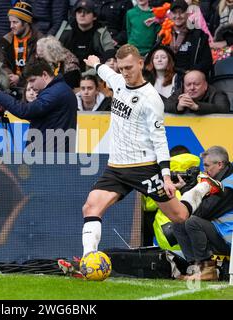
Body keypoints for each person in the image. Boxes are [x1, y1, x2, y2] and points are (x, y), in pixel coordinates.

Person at [80, 44, 223, 258]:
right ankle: (88, 261)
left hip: (144, 168)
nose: (125, 73)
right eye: (121, 69)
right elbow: (105, 71)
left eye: (129, 67)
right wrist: (95, 63)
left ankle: (202, 188)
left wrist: (166, 176)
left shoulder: (151, 98)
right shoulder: (118, 81)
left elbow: (159, 139)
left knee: (180, 216)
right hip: (116, 168)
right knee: (90, 207)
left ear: (140, 63)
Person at [0, 58, 77, 153]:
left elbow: (25, 111)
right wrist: (7, 104)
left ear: (44, 75)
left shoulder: (54, 92)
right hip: (53, 154)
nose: (31, 85)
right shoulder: (61, 89)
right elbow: (44, 118)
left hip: (50, 157)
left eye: (32, 80)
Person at [173, 145, 233, 280]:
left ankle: (207, 270)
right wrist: (187, 188)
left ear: (220, 164)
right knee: (179, 223)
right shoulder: (217, 181)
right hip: (220, 233)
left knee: (192, 222)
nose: (204, 170)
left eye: (207, 166)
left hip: (229, 239)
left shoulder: (228, 185)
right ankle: (194, 269)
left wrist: (187, 190)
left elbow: (203, 212)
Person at [58, 0, 115, 71]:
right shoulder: (66, 31)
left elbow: (110, 52)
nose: (82, 15)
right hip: (71, 72)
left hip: (95, 72)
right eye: (79, 12)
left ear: (94, 16)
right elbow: (55, 52)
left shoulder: (101, 32)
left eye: (87, 12)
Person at [0, 1, 43, 88]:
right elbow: (3, 64)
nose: (11, 26)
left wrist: (19, 78)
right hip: (10, 82)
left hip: (32, 83)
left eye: (15, 22)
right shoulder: (5, 41)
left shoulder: (40, 41)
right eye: (10, 22)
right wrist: (10, 77)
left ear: (26, 22)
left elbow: (35, 66)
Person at [168, 0, 213, 77]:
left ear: (188, 14)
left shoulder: (199, 35)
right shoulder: (164, 34)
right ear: (170, 15)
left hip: (191, 78)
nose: (178, 16)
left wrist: (191, 72)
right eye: (174, 12)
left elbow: (207, 62)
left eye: (181, 12)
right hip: (168, 77)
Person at [164, 69, 230, 113]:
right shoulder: (181, 91)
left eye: (196, 84)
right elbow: (164, 105)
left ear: (205, 85)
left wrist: (197, 107)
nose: (192, 88)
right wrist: (177, 107)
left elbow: (223, 109)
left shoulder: (217, 93)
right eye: (188, 85)